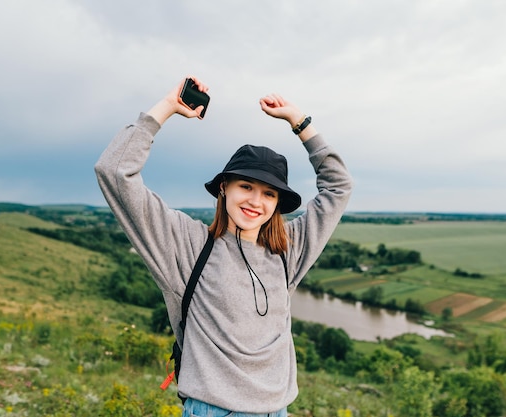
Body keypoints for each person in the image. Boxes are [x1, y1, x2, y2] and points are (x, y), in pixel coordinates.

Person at [94, 76, 353, 416]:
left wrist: (300, 123)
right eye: (246, 186)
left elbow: (338, 188)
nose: (255, 201)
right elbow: (114, 171)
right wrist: (167, 107)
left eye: (269, 193)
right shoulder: (187, 245)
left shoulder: (288, 250)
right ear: (224, 188)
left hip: (278, 410)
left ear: (278, 204)